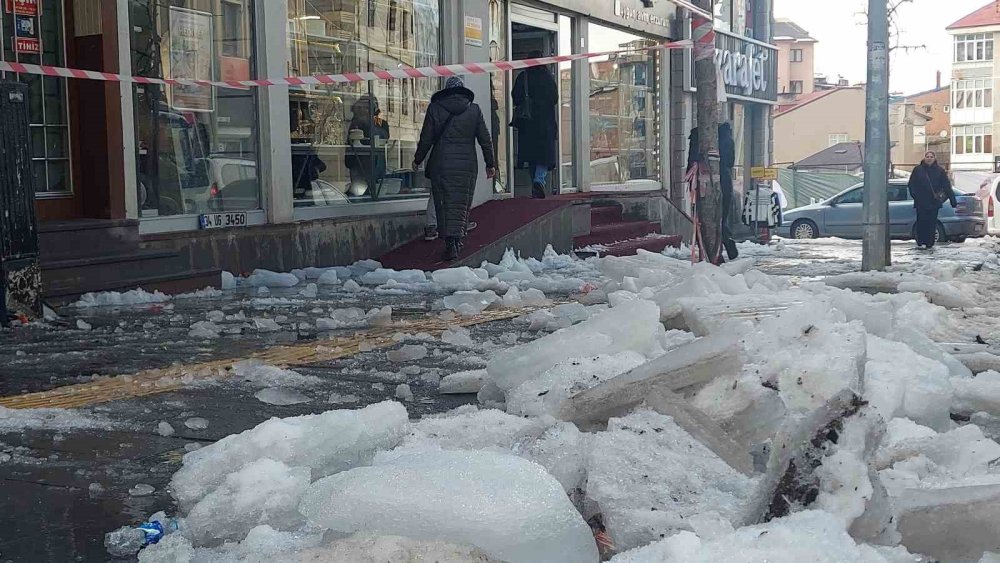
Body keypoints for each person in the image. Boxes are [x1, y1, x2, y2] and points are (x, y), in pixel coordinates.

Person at [413, 76, 496, 261]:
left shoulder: (435, 108)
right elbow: (485, 139)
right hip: (467, 164)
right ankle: (457, 239)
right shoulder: (473, 110)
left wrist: (417, 159)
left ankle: (449, 242)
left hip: (441, 163)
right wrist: (490, 164)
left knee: (443, 202)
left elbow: (426, 137)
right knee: (461, 202)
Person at [687, 124, 739, 260]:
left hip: (703, 183)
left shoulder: (697, 136)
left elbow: (691, 162)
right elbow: (730, 161)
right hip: (724, 181)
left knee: (704, 217)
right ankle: (723, 242)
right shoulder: (727, 137)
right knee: (721, 216)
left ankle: (712, 250)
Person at [511, 56, 558, 199]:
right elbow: (555, 98)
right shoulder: (547, 77)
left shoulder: (523, 77)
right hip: (545, 122)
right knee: (544, 154)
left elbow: (516, 97)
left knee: (531, 154)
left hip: (528, 122)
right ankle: (539, 180)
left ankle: (535, 183)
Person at [908, 151, 956, 250]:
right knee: (921, 222)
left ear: (934, 158)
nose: (929, 158)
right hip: (921, 202)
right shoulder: (918, 170)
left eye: (931, 157)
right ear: (924, 158)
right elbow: (911, 184)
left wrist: (952, 200)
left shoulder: (939, 171)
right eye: (927, 156)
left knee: (931, 223)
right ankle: (921, 242)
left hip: (934, 202)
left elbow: (946, 186)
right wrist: (916, 196)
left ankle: (930, 243)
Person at [346, 96, 389, 198]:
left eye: (364, 108)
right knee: (359, 192)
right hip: (359, 163)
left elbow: (383, 138)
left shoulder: (380, 124)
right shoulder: (356, 123)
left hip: (373, 163)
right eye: (359, 108)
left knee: (367, 191)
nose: (361, 110)